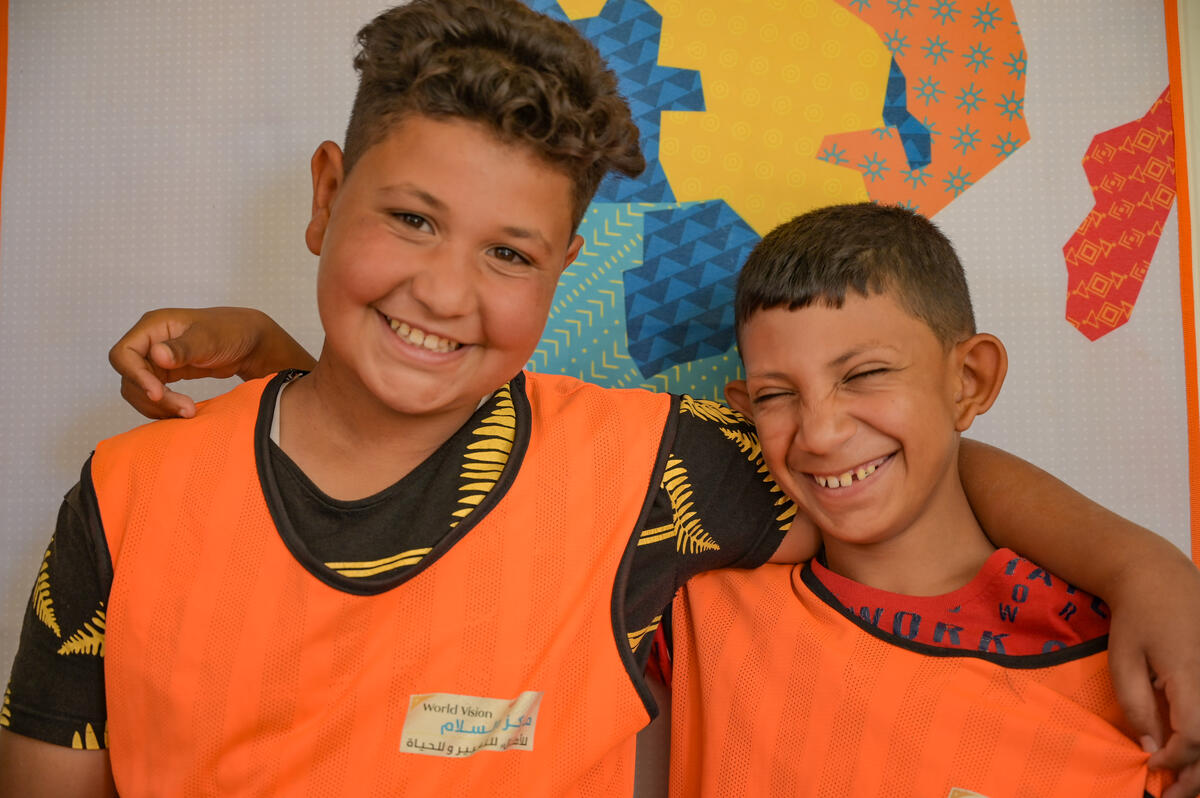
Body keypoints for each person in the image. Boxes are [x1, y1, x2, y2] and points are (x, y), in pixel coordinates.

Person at [4, 0, 1200, 795]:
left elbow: (897, 468)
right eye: (411, 220)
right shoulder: (128, 499)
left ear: (563, 269)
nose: (446, 289)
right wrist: (282, 369)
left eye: (510, 254)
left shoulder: (652, 474)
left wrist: (1151, 568)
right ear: (326, 195)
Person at [668, 203, 1175, 796]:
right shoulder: (702, 611)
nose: (820, 434)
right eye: (777, 394)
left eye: (864, 374)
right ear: (745, 410)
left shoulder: (1139, 662)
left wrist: (1146, 569)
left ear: (970, 381)